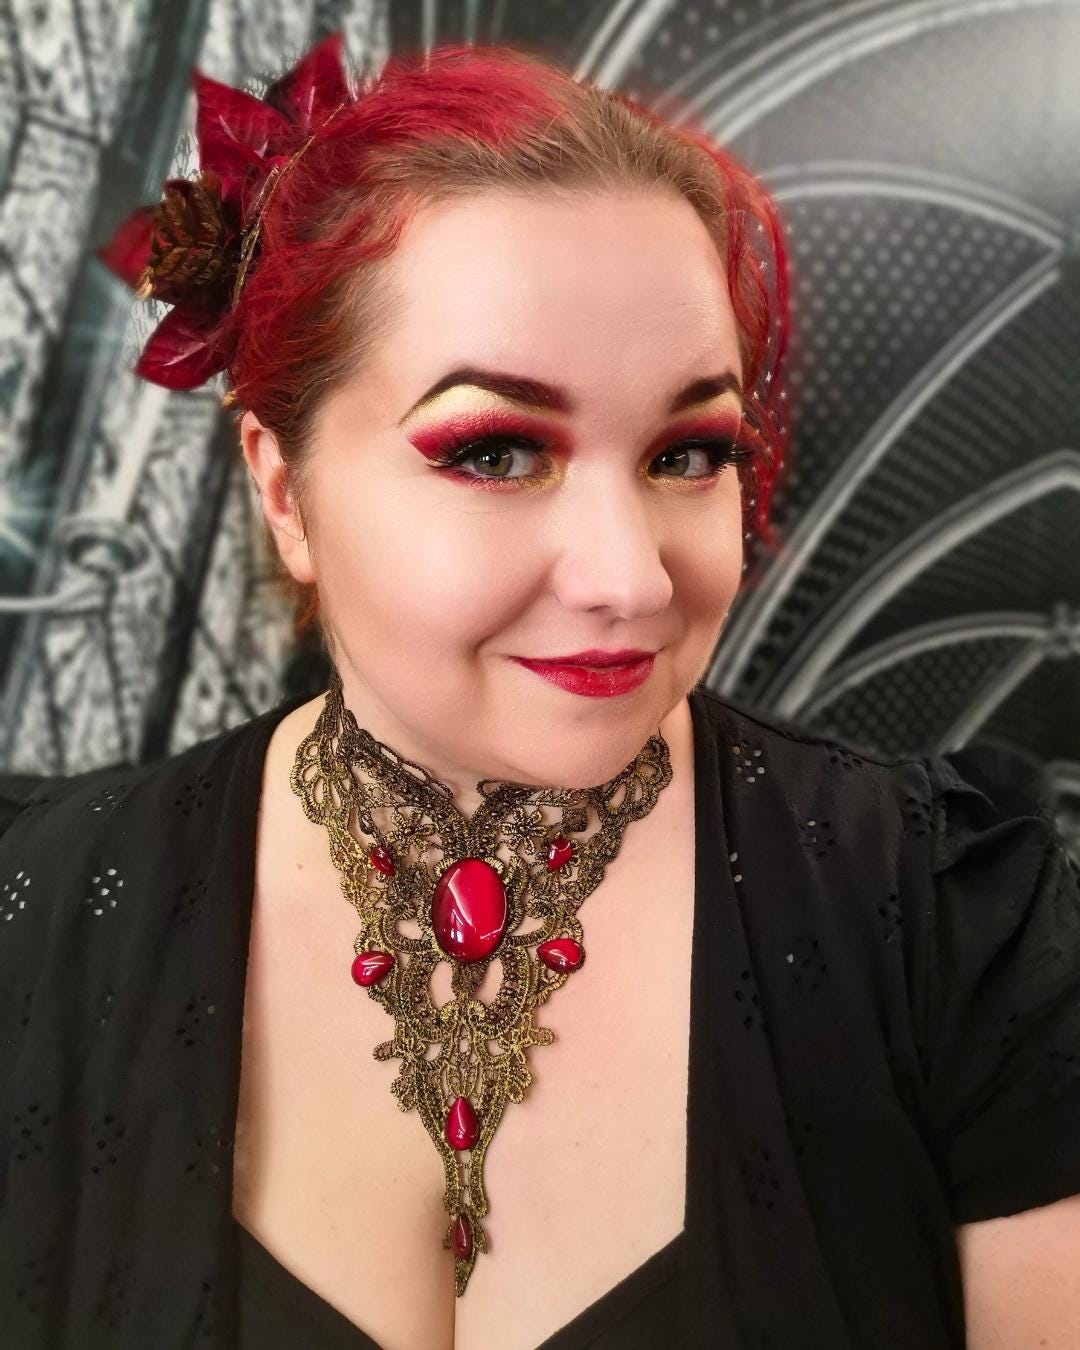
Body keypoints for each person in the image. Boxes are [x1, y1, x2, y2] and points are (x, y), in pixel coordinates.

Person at [1, 32, 1079, 1350]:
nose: (631, 579)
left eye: (690, 452)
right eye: (497, 451)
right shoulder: (33, 919)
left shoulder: (957, 925)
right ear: (284, 488)